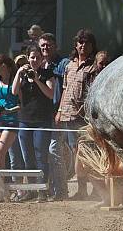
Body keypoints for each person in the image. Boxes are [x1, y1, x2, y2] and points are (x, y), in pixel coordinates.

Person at [56, 29, 101, 200]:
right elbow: (65, 90)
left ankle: (94, 188)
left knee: (85, 151)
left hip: (82, 116)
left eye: (86, 43)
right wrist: (60, 111)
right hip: (67, 114)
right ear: (76, 45)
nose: (83, 45)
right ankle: (82, 188)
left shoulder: (92, 67)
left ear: (92, 46)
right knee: (76, 152)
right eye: (80, 42)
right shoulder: (69, 66)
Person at [13, 45, 55, 202]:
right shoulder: (22, 75)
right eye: (32, 57)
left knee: (40, 155)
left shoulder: (47, 74)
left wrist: (37, 79)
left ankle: (42, 190)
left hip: (42, 120)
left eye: (38, 57)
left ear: (42, 58)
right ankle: (30, 189)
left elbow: (50, 94)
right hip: (25, 120)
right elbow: (14, 91)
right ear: (27, 58)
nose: (35, 60)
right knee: (28, 157)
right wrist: (18, 72)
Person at [39, 33, 69, 201]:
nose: (45, 48)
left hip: (58, 114)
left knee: (54, 151)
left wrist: (60, 110)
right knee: (43, 153)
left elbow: (66, 88)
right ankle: (47, 189)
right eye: (42, 45)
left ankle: (62, 191)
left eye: (48, 45)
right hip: (40, 117)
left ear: (55, 46)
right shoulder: (38, 64)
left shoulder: (64, 64)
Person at [0, 54, 20, 183]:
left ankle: (2, 185)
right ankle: (2, 188)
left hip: (10, 121)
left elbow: (20, 104)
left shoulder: (14, 82)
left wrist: (8, 111)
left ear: (4, 66)